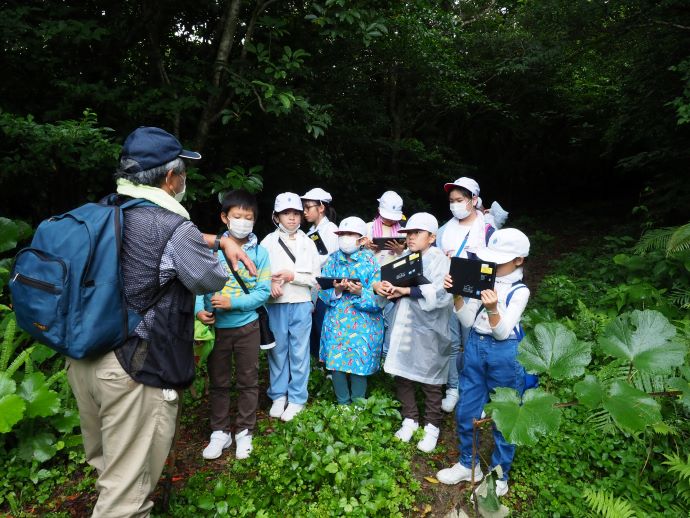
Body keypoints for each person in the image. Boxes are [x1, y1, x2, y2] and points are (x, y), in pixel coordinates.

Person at [65, 126, 251, 517]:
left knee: (111, 467)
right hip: (134, 368)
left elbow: (154, 239)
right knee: (125, 499)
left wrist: (217, 239)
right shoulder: (173, 226)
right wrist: (216, 247)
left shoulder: (105, 210)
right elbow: (208, 278)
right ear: (170, 179)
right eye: (182, 172)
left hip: (84, 357)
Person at [436, 228, 531, 498]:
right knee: (467, 408)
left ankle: (499, 475)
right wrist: (456, 294)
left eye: (499, 261)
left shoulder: (519, 291)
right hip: (476, 346)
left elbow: (501, 332)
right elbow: (467, 320)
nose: (492, 265)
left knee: (505, 413)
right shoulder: (484, 280)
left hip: (504, 353)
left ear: (518, 260)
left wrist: (492, 308)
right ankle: (468, 463)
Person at [195, 190, 271, 460]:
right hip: (217, 329)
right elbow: (196, 284)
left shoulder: (261, 254)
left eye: (248, 217)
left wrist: (233, 304)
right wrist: (199, 312)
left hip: (248, 326)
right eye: (237, 216)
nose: (243, 221)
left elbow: (263, 292)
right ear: (225, 218)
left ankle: (244, 431)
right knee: (219, 381)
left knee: (249, 380)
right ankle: (220, 432)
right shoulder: (209, 249)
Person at [375, 213, 453, 453]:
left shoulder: (439, 259)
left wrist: (406, 290)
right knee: (403, 373)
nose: (410, 237)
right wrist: (385, 287)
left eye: (416, 233)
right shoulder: (407, 258)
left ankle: (432, 425)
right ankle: (409, 418)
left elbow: (441, 294)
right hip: (405, 324)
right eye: (408, 233)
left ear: (432, 237)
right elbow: (389, 285)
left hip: (430, 328)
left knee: (431, 377)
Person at [260, 193, 321, 422]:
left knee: (299, 352)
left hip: (301, 303)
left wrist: (292, 275)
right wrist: (270, 284)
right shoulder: (266, 242)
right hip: (275, 304)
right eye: (286, 214)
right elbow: (258, 274)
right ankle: (278, 395)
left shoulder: (308, 242)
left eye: (296, 213)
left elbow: (316, 277)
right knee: (278, 350)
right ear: (277, 216)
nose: (292, 218)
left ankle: (297, 398)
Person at [435, 177, 493, 414]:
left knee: (474, 342)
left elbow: (494, 263)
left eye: (460, 200)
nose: (455, 204)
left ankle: (475, 390)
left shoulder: (487, 230)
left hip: (476, 295)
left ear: (474, 200)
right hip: (450, 292)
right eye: (451, 201)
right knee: (450, 342)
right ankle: (453, 388)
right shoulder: (444, 230)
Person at [319, 217, 385, 404]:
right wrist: (337, 290)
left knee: (359, 364)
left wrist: (360, 292)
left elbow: (381, 298)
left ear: (362, 239)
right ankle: (342, 404)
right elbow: (322, 292)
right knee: (336, 364)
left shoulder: (371, 262)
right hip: (336, 321)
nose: (345, 238)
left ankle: (358, 405)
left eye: (350, 234)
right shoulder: (332, 260)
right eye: (342, 234)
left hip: (363, 323)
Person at [301, 187, 339, 359]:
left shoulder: (331, 229)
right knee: (314, 327)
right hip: (312, 284)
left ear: (321, 207)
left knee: (322, 325)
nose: (304, 212)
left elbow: (328, 259)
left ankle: (327, 368)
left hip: (324, 286)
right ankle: (318, 365)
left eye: (308, 207)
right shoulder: (311, 231)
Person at [364, 190, 406, 266]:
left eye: (393, 218)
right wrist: (366, 246)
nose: (390, 220)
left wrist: (400, 252)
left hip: (392, 272)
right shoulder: (368, 227)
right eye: (387, 217)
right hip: (369, 270)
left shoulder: (403, 232)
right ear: (379, 210)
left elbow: (407, 258)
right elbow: (356, 249)